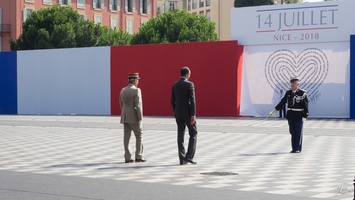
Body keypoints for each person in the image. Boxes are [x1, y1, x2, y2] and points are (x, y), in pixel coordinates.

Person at [269, 77, 309, 153]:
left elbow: (305, 105)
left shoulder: (302, 93)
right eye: (291, 83)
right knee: (292, 131)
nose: (292, 85)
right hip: (290, 115)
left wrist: (305, 115)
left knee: (298, 132)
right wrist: (275, 110)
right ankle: (294, 148)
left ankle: (297, 148)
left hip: (299, 115)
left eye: (294, 83)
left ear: (298, 84)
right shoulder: (288, 92)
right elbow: (283, 102)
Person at [171, 67, 198, 165]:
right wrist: (193, 114)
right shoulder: (190, 84)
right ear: (187, 74)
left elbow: (172, 101)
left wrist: (175, 112)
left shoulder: (175, 85)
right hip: (188, 114)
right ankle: (189, 156)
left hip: (178, 114)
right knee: (193, 133)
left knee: (180, 136)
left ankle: (182, 159)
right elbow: (192, 99)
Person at [120, 73, 146, 163]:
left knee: (126, 138)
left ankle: (127, 157)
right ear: (135, 80)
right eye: (137, 80)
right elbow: (138, 105)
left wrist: (124, 113)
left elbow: (121, 104)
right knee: (139, 135)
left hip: (125, 116)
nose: (138, 82)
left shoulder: (123, 90)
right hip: (134, 117)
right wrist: (140, 117)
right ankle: (138, 155)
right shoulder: (136, 90)